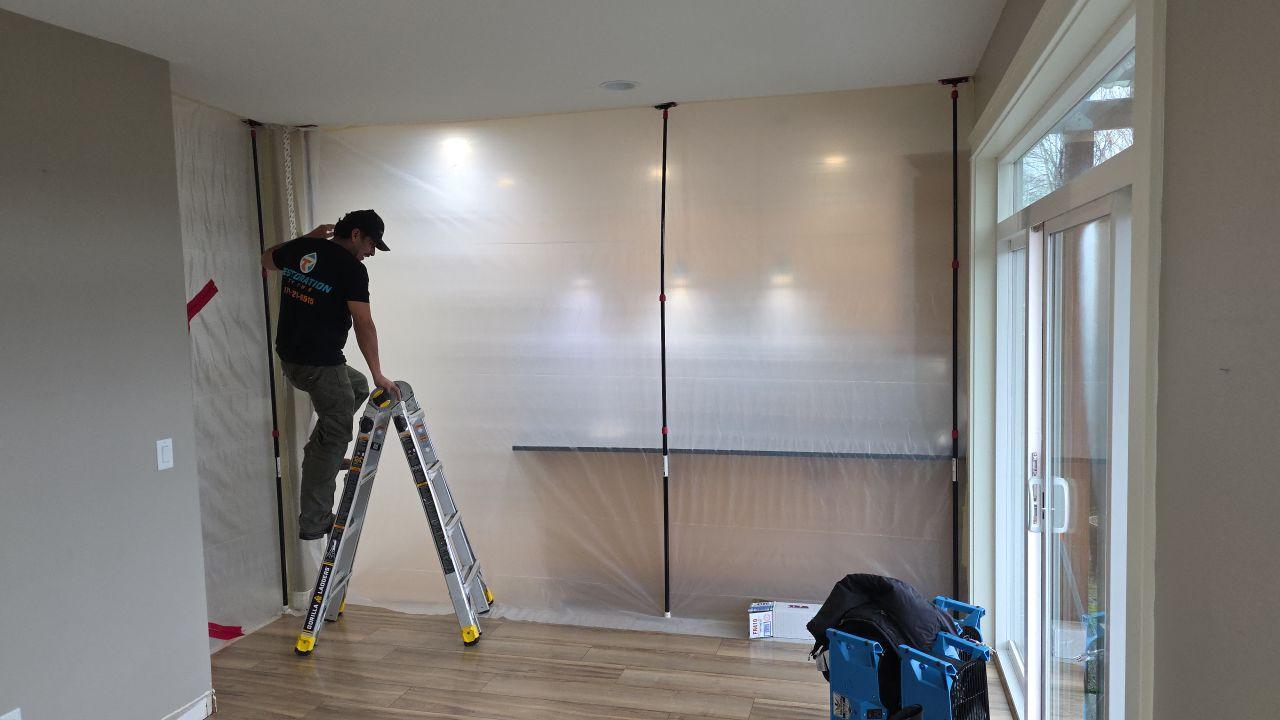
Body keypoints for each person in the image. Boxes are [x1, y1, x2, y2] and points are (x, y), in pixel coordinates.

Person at [260, 209, 399, 541]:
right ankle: (314, 520)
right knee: (337, 432)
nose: (371, 253)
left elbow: (266, 259)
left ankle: (326, 455)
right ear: (355, 235)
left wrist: (307, 237)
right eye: (371, 244)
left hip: (294, 358)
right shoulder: (352, 270)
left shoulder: (302, 250)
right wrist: (379, 372)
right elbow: (364, 324)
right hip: (320, 364)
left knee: (357, 386)